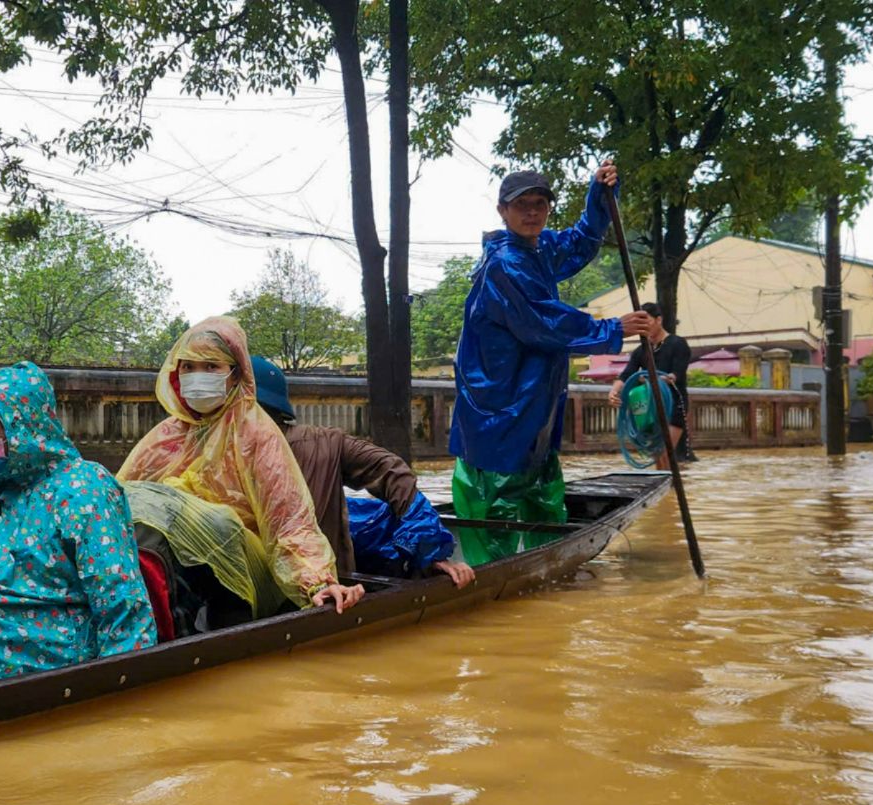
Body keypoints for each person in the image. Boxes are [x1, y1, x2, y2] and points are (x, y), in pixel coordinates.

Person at [449, 161, 652, 565]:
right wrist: (612, 328)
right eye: (522, 205)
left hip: (533, 404)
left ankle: (543, 561)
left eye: (539, 204)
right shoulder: (506, 265)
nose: (532, 213)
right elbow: (545, 322)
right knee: (497, 497)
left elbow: (580, 241)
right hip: (499, 408)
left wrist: (598, 195)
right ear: (502, 211)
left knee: (539, 484)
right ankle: (492, 572)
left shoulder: (538, 250)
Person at [0, 361, 157, 682]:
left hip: (60, 650)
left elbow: (121, 602)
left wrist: (122, 687)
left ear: (23, 424)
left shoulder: (83, 488)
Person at [118, 316, 364, 618]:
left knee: (212, 520)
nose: (198, 376)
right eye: (189, 367)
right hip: (181, 569)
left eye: (211, 367)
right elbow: (119, 503)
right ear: (176, 374)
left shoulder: (256, 436)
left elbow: (290, 523)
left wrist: (315, 583)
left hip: (247, 573)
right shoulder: (163, 438)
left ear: (235, 375)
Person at [249, 356, 475, 589]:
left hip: (320, 588)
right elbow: (393, 472)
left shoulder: (325, 445)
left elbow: (390, 472)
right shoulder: (214, 457)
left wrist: (430, 551)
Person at [608, 302, 692, 469]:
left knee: (664, 454)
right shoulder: (641, 351)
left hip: (674, 405)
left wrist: (651, 379)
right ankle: (669, 490)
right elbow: (626, 374)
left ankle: (672, 491)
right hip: (650, 408)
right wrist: (614, 391)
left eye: (647, 320)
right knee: (656, 455)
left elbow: (676, 374)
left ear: (658, 320)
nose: (643, 326)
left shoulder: (677, 344)